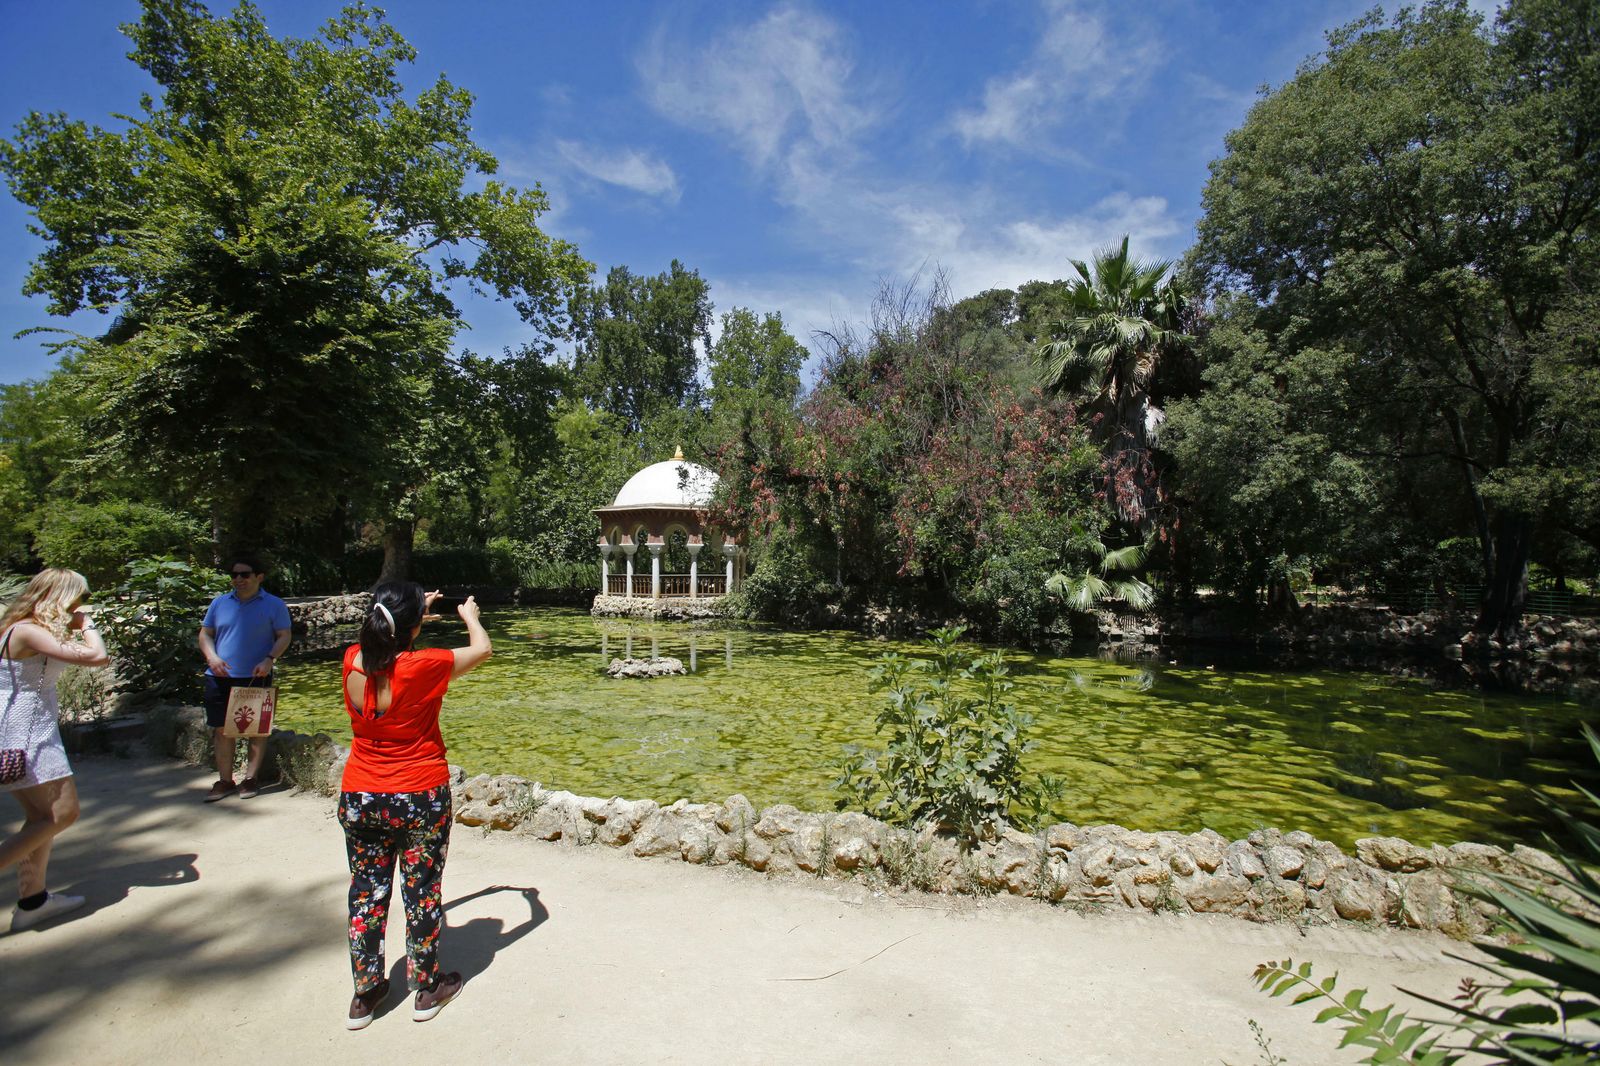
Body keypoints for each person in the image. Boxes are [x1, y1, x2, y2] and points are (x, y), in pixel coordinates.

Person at [339, 582, 491, 1030]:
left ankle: (365, 995)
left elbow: (386, 645)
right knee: (421, 890)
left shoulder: (351, 658)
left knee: (367, 892)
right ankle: (426, 988)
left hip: (361, 794)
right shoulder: (425, 666)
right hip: (418, 795)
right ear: (413, 628)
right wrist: (470, 617)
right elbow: (481, 650)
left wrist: (412, 614)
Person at [0, 569, 111, 932]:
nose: (82, 604)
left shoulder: (16, 627)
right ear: (62, 596)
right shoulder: (27, 630)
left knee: (40, 820)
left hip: (18, 733)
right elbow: (97, 657)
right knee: (63, 814)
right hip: (28, 737)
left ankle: (33, 902)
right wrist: (87, 624)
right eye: (80, 597)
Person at [198, 552, 292, 802]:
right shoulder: (219, 603)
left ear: (259, 577)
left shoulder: (274, 604)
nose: (238, 579)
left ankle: (251, 779)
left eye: (245, 574)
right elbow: (205, 634)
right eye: (234, 575)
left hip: (255, 675)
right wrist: (212, 658)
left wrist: (269, 659)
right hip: (219, 676)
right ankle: (225, 781)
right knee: (221, 730)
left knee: (257, 730)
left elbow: (284, 635)